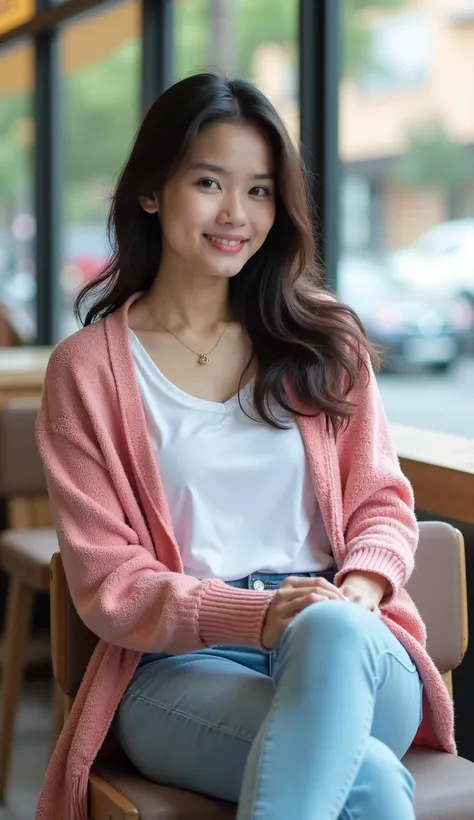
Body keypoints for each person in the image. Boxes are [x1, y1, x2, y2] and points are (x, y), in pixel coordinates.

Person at [35, 73, 454, 820]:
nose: (238, 214)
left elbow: (383, 506)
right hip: (179, 670)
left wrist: (351, 599)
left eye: (260, 191)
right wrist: (252, 617)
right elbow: (111, 582)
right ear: (152, 191)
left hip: (353, 649)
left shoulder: (325, 340)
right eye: (209, 182)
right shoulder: (90, 371)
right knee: (373, 787)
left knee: (327, 635)